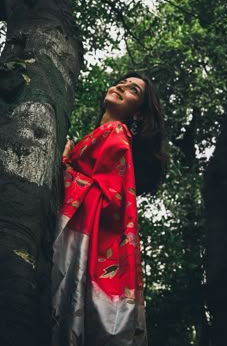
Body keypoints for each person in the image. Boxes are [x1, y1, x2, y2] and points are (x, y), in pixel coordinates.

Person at [51, 72, 167, 346]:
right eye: (123, 83)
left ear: (138, 115)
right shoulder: (98, 136)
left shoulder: (116, 133)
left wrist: (65, 164)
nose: (122, 87)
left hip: (87, 246)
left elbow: (110, 204)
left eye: (133, 91)